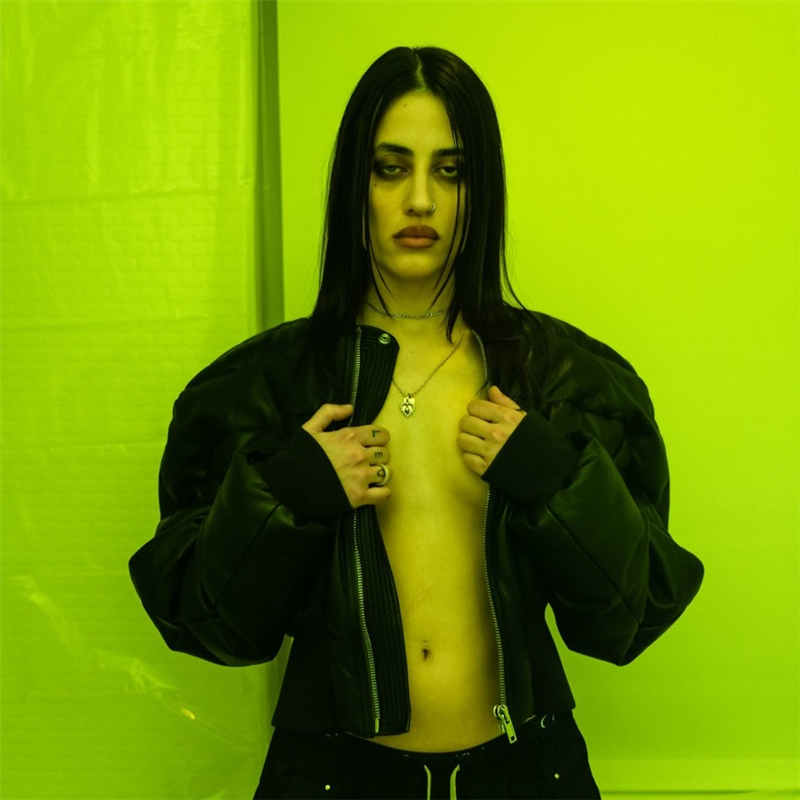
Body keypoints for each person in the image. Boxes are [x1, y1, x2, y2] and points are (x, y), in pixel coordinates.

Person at [129, 46, 704, 800]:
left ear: (481, 189)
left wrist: (555, 481)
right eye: (390, 168)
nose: (422, 200)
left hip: (526, 772)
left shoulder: (568, 383)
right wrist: (289, 493)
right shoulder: (259, 390)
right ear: (354, 185)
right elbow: (210, 627)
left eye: (451, 171)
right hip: (330, 778)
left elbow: (630, 619)